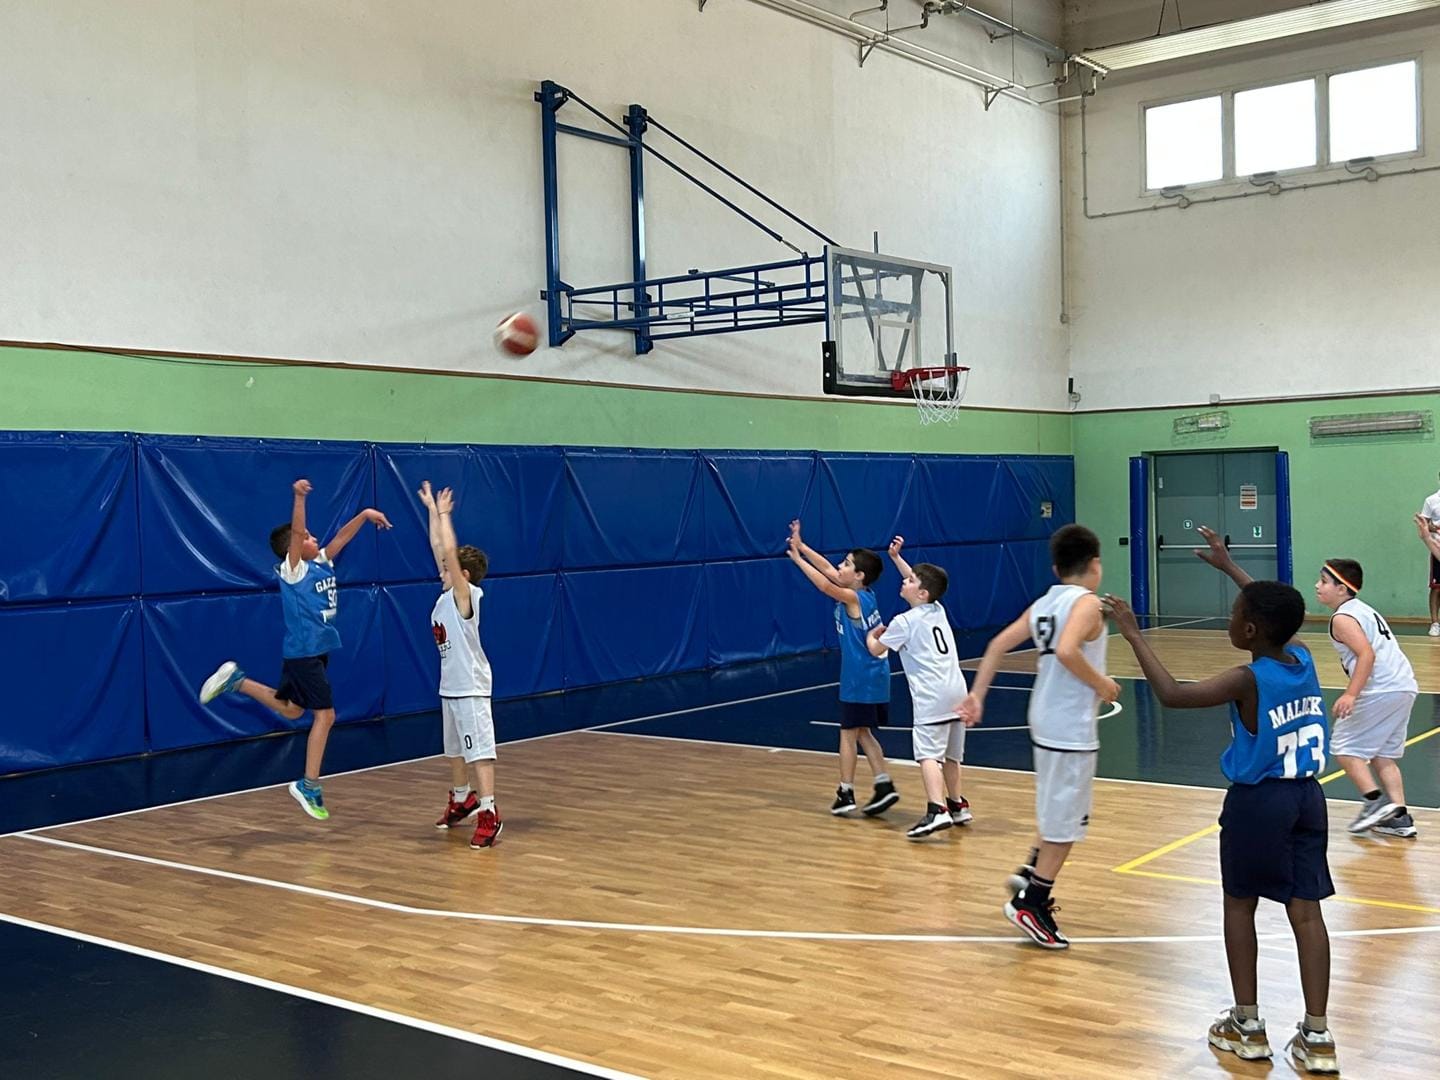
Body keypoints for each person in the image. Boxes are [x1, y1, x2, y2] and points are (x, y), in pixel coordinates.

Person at [1108, 534, 1339, 1075]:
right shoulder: (1301, 658)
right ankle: (1318, 1036)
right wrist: (1230, 567)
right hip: (1309, 798)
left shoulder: (1246, 679)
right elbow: (1275, 611)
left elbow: (1173, 695)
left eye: (1236, 615)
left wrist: (1133, 634)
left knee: (1240, 906)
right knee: (1308, 914)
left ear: (1250, 630)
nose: (1231, 620)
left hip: (1259, 803)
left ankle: (1248, 1026)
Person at [961, 524, 1119, 950]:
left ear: (1055, 568)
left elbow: (997, 645)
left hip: (1044, 717)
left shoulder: (1045, 602)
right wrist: (1103, 684)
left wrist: (977, 695)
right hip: (1069, 723)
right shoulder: (1087, 603)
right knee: (1068, 822)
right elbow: (1067, 651)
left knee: (1057, 805)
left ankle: (1032, 868)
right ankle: (1032, 902)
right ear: (1095, 564)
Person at [199, 478, 391, 820]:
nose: (314, 538)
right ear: (297, 545)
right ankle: (309, 785)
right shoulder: (294, 570)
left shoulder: (322, 562)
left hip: (315, 652)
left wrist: (364, 515)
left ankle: (237, 681)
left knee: (291, 710)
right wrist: (299, 498)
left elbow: (341, 538)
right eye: (308, 537)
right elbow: (298, 530)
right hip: (305, 652)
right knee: (326, 716)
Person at [786, 519, 898, 817]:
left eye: (846, 564)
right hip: (875, 676)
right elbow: (828, 570)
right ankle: (883, 783)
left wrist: (797, 560)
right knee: (862, 732)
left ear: (859, 576)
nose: (839, 566)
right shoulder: (866, 594)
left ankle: (846, 792)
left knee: (848, 733)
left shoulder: (854, 598)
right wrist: (802, 545)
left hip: (861, 677)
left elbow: (825, 584)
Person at [867, 537, 972, 840]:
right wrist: (896, 558)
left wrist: (873, 635)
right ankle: (957, 804)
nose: (905, 580)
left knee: (928, 756)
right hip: (957, 691)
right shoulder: (936, 608)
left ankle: (937, 810)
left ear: (922, 592)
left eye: (910, 580)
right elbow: (923, 584)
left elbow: (876, 650)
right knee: (951, 756)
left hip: (932, 695)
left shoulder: (904, 621)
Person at [1311, 552, 1417, 838]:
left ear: (1341, 588)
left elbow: (1366, 655)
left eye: (1324, 581)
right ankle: (1399, 817)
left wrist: (1351, 694)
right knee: (1383, 755)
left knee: (1344, 747)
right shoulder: (1364, 610)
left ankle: (1374, 803)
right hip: (1403, 685)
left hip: (1380, 688)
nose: (1317, 586)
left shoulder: (1343, 618)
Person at [420, 482, 502, 848]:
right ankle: (461, 798)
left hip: (471, 687)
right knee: (454, 750)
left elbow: (449, 551)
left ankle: (489, 811)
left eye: (448, 568)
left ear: (463, 575)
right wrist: (430, 511)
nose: (441, 569)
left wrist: (445, 515)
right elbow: (440, 547)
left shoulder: (465, 597)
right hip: (450, 687)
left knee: (479, 752)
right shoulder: (445, 596)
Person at [1420, 475, 1440, 636]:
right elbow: (1424, 524)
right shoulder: (1431, 501)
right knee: (1437, 587)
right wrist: (1435, 528)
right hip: (1437, 548)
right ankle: (1435, 623)